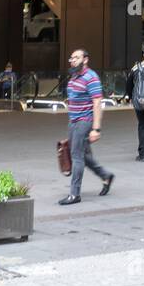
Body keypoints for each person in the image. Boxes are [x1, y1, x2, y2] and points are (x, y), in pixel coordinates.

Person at [59, 49, 114, 206]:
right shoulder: (74, 76)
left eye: (77, 57)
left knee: (76, 155)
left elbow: (97, 102)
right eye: (72, 58)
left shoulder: (91, 77)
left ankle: (74, 193)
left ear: (86, 60)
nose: (73, 60)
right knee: (82, 155)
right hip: (74, 121)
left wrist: (96, 128)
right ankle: (106, 175)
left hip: (84, 121)